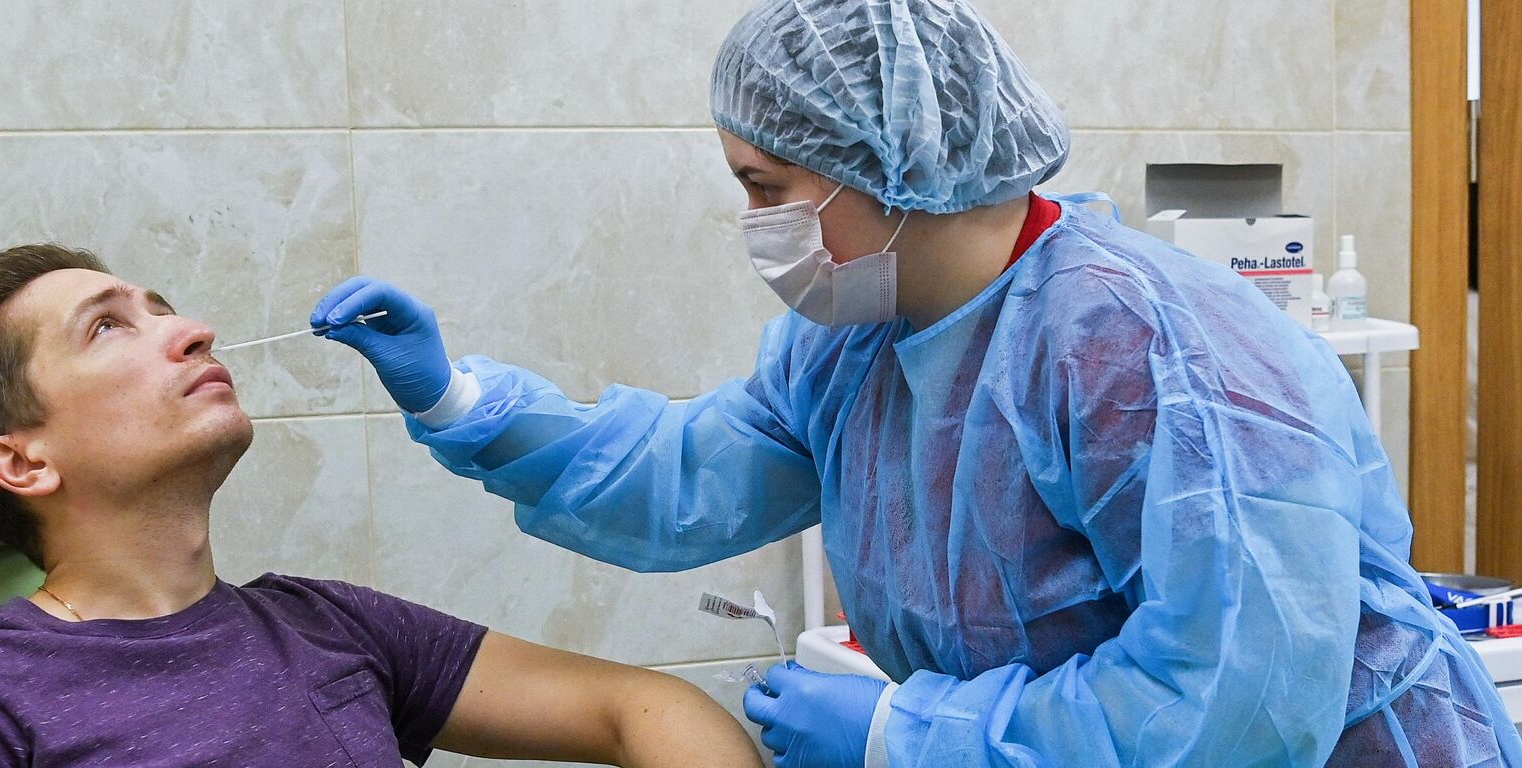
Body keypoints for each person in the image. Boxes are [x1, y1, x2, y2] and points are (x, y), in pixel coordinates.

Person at [309, 0, 1522, 765]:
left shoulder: (1149, 348)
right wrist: (460, 403)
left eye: (766, 186)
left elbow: (1240, 705)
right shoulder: (859, 338)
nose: (753, 222)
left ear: (890, 168)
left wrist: (908, 733)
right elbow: (691, 480)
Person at [0, 244, 764, 767]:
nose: (192, 329)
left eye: (163, 306)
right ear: (21, 462)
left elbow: (645, 708)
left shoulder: (325, 625)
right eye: (108, 326)